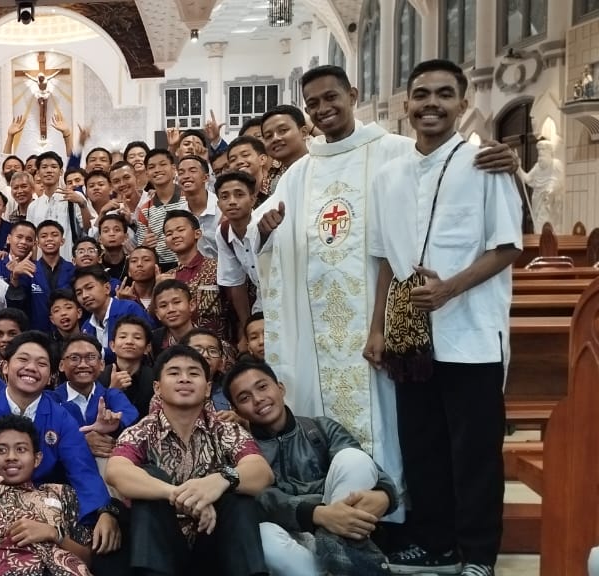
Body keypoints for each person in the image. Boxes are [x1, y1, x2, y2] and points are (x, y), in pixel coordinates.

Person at [255, 64, 515, 509]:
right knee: (419, 433)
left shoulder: (395, 152)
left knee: (438, 437)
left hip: (417, 327)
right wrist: (262, 232)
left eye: (331, 97)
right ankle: (361, 510)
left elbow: (497, 232)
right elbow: (258, 242)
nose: (324, 109)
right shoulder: (301, 172)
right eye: (313, 103)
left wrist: (507, 157)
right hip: (346, 337)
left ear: (352, 94)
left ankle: (407, 514)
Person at [364, 59, 522, 576]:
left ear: (462, 103)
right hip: (412, 335)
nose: (431, 103)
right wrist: (377, 327)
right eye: (422, 94)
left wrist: (450, 288)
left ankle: (478, 554)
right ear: (406, 104)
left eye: (444, 94)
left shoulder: (485, 164)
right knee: (423, 443)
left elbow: (506, 247)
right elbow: (387, 256)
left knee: (473, 450)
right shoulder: (388, 175)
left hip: (473, 333)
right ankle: (435, 541)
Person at [103, 345, 273, 576]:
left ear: (207, 388)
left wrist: (221, 480)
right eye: (174, 373)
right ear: (157, 388)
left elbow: (261, 471)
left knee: (238, 498)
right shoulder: (141, 431)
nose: (184, 379)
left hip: (214, 541)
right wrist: (178, 495)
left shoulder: (225, 429)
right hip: (160, 544)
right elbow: (117, 471)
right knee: (150, 478)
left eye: (193, 373)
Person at [225, 361, 396, 575]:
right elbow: (261, 500)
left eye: (262, 387)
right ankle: (344, 558)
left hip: (340, 522)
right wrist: (319, 515)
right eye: (245, 398)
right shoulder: (242, 449)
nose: (258, 399)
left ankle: (335, 546)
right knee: (263, 535)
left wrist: (384, 495)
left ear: (280, 388)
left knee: (353, 458)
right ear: (236, 409)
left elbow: (370, 471)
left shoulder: (321, 428)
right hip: (292, 537)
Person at [0, 331, 113, 527]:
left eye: (42, 364)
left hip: (43, 512)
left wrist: (101, 513)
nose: (31, 368)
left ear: (52, 377)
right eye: (23, 359)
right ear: (5, 367)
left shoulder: (62, 417)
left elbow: (82, 470)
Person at [0, 415, 95, 576]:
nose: (11, 457)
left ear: (37, 459)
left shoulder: (62, 493)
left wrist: (54, 534)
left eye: (21, 449)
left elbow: (87, 559)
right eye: (1, 450)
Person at [49, 333, 140, 455]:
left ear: (101, 365)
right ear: (61, 365)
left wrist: (115, 426)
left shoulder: (111, 395)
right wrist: (80, 441)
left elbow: (131, 417)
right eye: (74, 358)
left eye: (90, 357)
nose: (82, 365)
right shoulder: (51, 400)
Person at [214, 172, 262, 354]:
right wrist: (245, 327)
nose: (232, 201)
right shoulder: (223, 232)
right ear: (218, 204)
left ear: (253, 198)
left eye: (239, 194)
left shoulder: (266, 225)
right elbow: (235, 283)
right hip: (262, 301)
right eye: (225, 197)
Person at [163, 210, 226, 341]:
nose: (174, 235)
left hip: (217, 344)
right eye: (169, 233)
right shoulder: (166, 277)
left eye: (180, 230)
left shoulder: (217, 267)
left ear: (197, 233)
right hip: (177, 346)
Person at [5, 220, 76, 333]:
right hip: (36, 334)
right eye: (44, 236)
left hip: (67, 333)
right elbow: (15, 305)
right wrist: (14, 277)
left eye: (54, 235)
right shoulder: (27, 269)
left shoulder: (73, 270)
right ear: (37, 243)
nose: (49, 239)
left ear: (62, 241)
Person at [72, 265, 150, 357]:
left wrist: (96, 353)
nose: (84, 295)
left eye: (89, 288)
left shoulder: (129, 309)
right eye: (79, 293)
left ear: (107, 288)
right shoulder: (86, 326)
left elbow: (138, 349)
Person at [134, 149, 189, 271]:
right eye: (152, 167)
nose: (157, 170)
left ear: (174, 169)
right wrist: (145, 245)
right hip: (163, 269)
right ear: (147, 174)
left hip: (191, 263)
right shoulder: (144, 209)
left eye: (163, 164)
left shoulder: (189, 198)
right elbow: (142, 249)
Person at [100, 315, 157, 418]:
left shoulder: (155, 377)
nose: (129, 342)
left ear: (147, 348)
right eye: (122, 337)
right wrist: (113, 390)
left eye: (137, 337)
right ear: (112, 346)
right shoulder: (101, 377)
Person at [175, 155, 219, 258]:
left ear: (205, 177)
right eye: (181, 173)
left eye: (192, 171)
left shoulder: (222, 208)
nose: (186, 176)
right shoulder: (179, 214)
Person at [259, 105, 310, 187]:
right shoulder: (275, 183)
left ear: (304, 132)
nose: (275, 138)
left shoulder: (322, 165)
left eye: (283, 130)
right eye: (268, 136)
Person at [150, 279, 196, 350]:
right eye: (163, 306)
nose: (171, 309)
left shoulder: (207, 339)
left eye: (177, 302)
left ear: (191, 305)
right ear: (157, 314)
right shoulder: (152, 341)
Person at [225, 137, 274, 203]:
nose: (239, 161)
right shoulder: (230, 198)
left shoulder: (278, 187)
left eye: (245, 155)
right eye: (233, 159)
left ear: (262, 159)